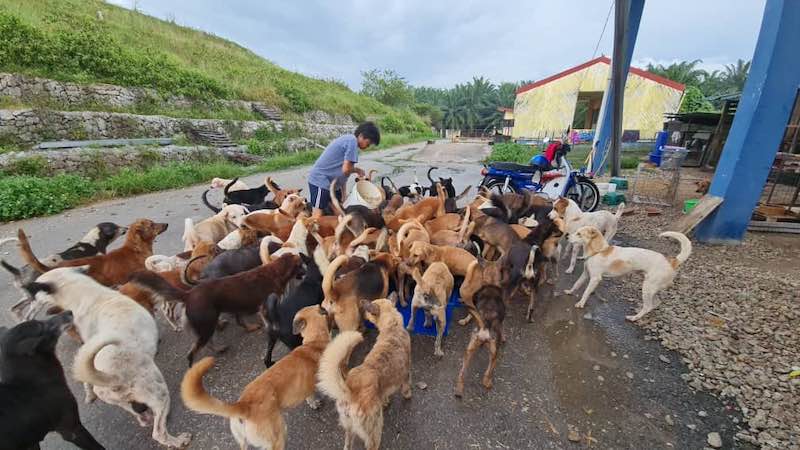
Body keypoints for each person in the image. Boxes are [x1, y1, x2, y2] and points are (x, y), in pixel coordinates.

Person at [307, 122, 381, 215]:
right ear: (361, 136)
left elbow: (343, 174)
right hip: (320, 181)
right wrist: (356, 170)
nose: (367, 146)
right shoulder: (352, 142)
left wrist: (344, 194)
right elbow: (346, 170)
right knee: (317, 216)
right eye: (368, 143)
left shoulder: (349, 140)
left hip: (331, 184)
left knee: (339, 213)